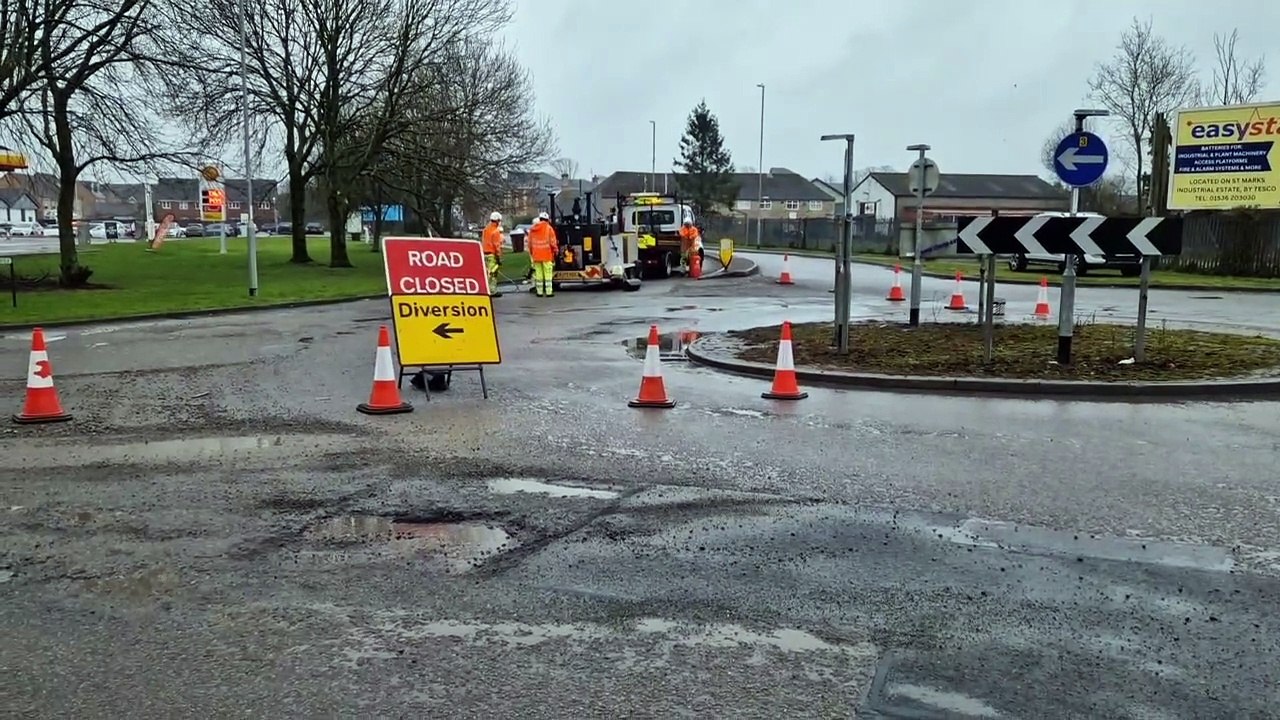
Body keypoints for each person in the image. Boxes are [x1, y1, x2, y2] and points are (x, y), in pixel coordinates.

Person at [526, 212, 558, 298]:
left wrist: (532, 253)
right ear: (547, 220)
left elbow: (529, 243)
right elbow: (553, 242)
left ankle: (539, 292)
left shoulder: (532, 229)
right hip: (546, 255)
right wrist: (555, 250)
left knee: (539, 274)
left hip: (536, 255)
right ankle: (548, 292)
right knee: (547, 274)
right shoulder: (549, 228)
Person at [481, 211, 504, 298]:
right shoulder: (496, 231)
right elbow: (496, 245)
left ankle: (486, 289)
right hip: (492, 255)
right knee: (493, 274)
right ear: (497, 220)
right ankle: (492, 291)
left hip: (484, 254)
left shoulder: (486, 229)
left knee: (487, 273)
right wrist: (499, 257)